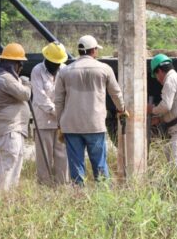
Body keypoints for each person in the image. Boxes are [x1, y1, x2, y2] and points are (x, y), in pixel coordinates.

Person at [54, 35, 127, 185]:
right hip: (95, 124)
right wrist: (122, 109)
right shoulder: (104, 69)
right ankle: (103, 196)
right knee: (99, 163)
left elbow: (59, 100)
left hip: (71, 125)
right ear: (93, 50)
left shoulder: (65, 71)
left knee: (76, 166)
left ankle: (79, 197)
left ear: (80, 51)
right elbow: (115, 93)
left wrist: (59, 124)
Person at [0, 43, 31, 191]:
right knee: (9, 165)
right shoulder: (5, 79)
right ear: (15, 64)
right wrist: (26, 83)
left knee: (3, 166)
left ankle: (0, 198)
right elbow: (24, 94)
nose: (21, 68)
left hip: (6, 130)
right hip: (9, 131)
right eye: (20, 64)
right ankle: (5, 199)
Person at [30, 42, 69, 185]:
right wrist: (57, 112)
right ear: (47, 59)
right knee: (44, 158)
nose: (57, 65)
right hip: (43, 122)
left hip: (61, 123)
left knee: (62, 157)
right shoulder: (37, 71)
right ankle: (45, 188)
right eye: (54, 63)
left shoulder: (65, 70)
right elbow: (40, 97)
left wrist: (63, 116)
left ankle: (62, 188)